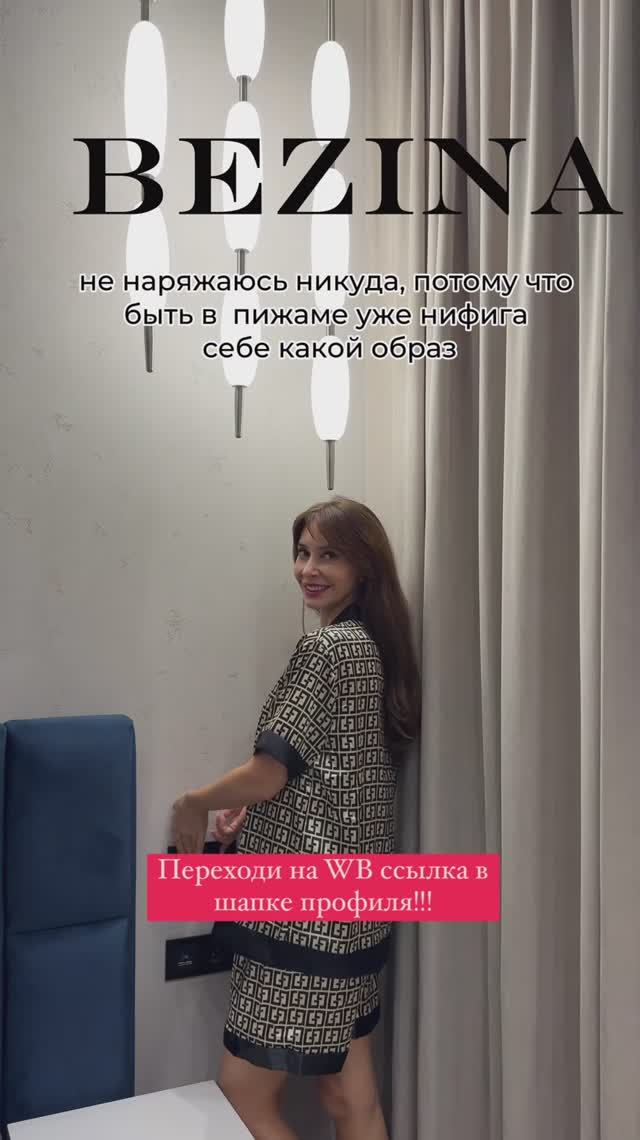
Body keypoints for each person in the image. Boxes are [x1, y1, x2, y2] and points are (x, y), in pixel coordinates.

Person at [171, 496, 421, 1140]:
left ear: (364, 566)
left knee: (242, 1093)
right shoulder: (375, 648)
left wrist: (194, 802)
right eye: (303, 552)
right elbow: (331, 772)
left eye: (329, 555)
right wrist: (254, 810)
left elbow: (272, 770)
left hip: (302, 910)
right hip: (358, 903)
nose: (309, 569)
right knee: (349, 1096)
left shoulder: (326, 650)